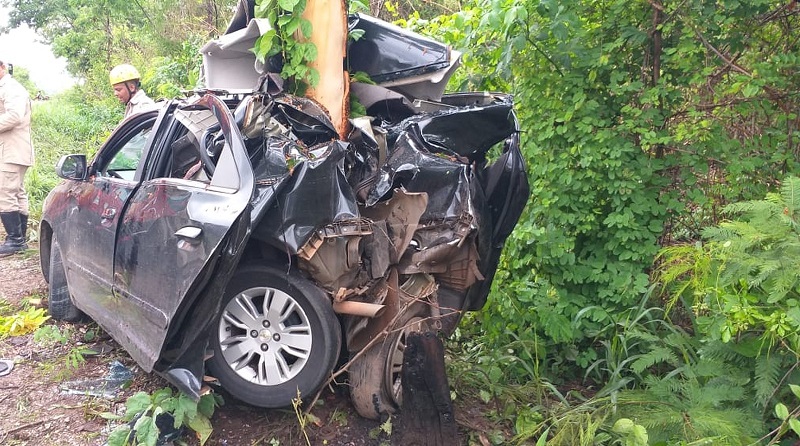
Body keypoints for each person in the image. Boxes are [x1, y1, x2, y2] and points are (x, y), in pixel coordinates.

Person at [0, 59, 33, 257]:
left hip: (13, 150)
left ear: (2, 67)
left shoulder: (12, 88)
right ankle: (18, 238)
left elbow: (14, 116)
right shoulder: (7, 87)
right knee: (17, 192)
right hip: (13, 150)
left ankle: (15, 240)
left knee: (5, 193)